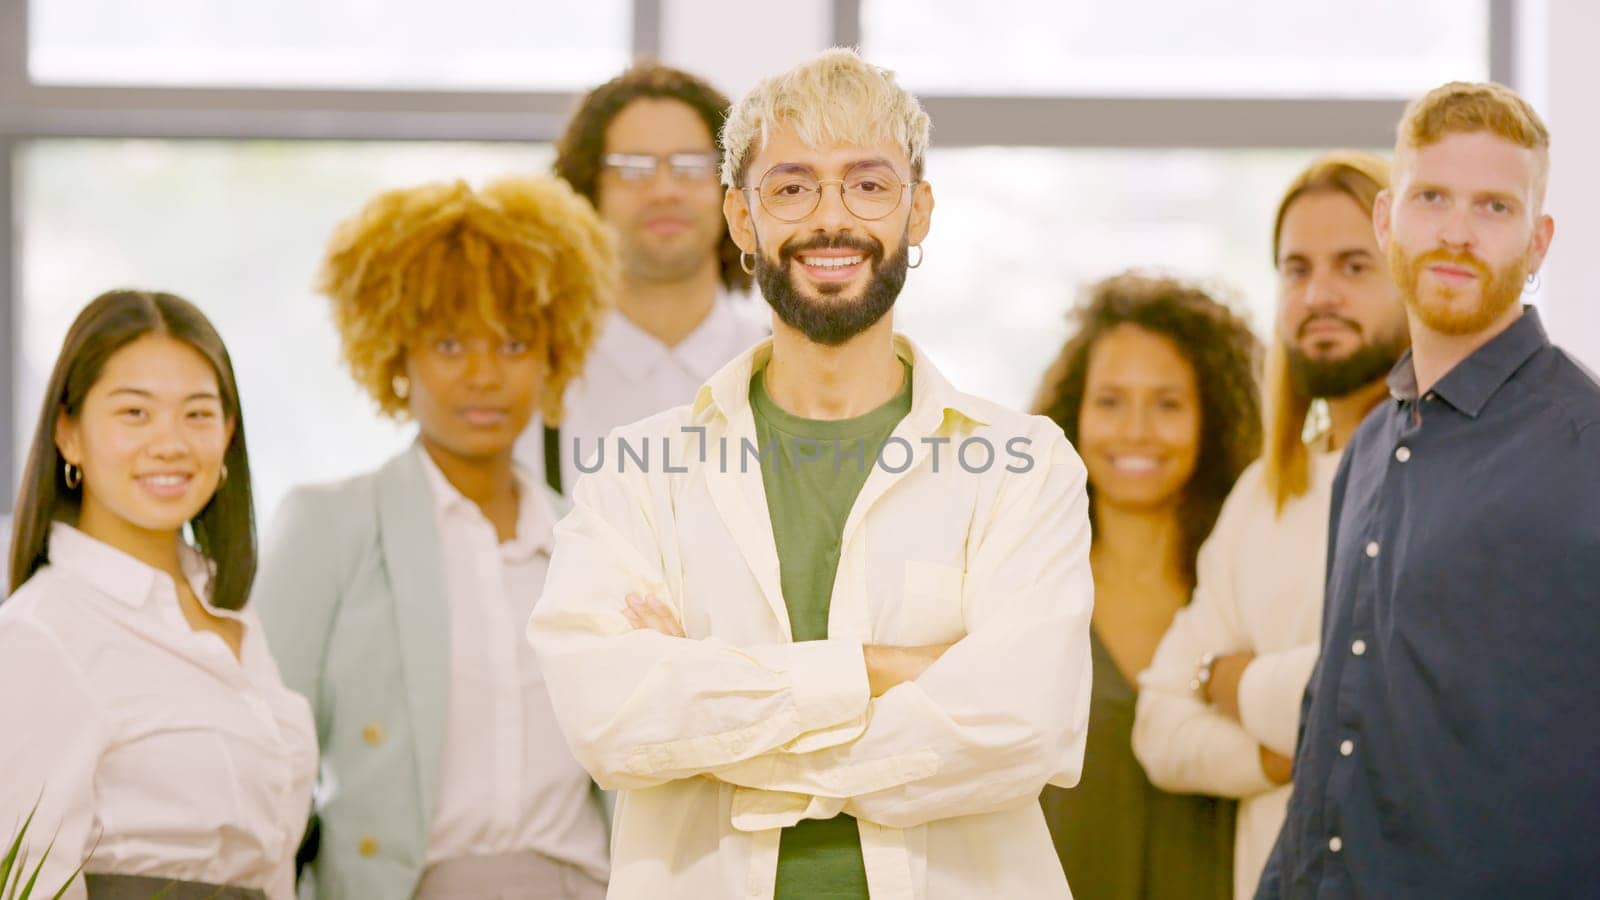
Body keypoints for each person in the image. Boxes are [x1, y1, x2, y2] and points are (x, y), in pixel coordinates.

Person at [528, 48, 1094, 900]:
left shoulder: (1023, 464)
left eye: (869, 185)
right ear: (742, 219)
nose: (832, 220)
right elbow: (612, 723)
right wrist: (880, 669)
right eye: (792, 188)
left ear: (920, 211)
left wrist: (721, 726)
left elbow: (1021, 725)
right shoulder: (637, 469)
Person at [1258, 82, 1600, 897]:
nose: (1455, 231)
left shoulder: (1586, 451)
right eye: (1432, 197)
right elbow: (1329, 730)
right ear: (1387, 221)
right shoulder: (1372, 445)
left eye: (1493, 207)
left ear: (1538, 241)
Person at [253, 177, 616, 899]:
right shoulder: (333, 528)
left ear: (553, 353)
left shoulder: (594, 539)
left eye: (514, 343)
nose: (484, 376)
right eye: (449, 344)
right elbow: (261, 758)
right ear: (396, 352)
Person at [1131, 152, 1407, 899]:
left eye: (1355, 266)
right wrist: (1296, 756)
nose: (1319, 295)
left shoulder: (1449, 479)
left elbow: (1395, 708)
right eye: (1296, 269)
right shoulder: (1263, 493)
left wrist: (1228, 679)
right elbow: (1158, 730)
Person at [0, 289, 315, 900]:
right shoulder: (39, 634)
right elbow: (26, 881)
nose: (170, 443)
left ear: (228, 432)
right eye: (134, 413)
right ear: (68, 434)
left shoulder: (229, 610)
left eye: (197, 414)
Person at [1032, 273, 1262, 899]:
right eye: (1110, 401)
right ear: (1074, 413)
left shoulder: (1245, 591)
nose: (1135, 430)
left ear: (1210, 419)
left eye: (1167, 403)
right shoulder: (1024, 587)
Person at [520, 61, 767, 493]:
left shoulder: (789, 367)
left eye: (690, 166)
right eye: (632, 168)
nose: (664, 190)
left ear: (736, 193)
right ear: (588, 192)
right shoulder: (529, 380)